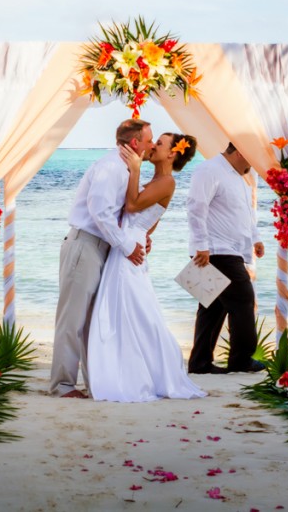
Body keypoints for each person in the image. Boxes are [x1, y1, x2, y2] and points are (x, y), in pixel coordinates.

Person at [87, 132, 206, 402]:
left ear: (172, 153)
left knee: (135, 311)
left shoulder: (166, 182)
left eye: (159, 144)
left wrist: (134, 170)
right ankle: (123, 367)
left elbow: (131, 205)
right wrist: (143, 235)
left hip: (130, 251)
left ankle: (147, 371)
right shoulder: (158, 181)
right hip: (130, 244)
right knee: (126, 309)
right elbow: (150, 219)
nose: (153, 146)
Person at [49, 119, 153, 398]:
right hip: (85, 245)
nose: (152, 145)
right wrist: (127, 245)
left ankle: (94, 383)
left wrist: (137, 238)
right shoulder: (110, 167)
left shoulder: (125, 169)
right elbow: (101, 212)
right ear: (135, 143)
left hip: (101, 247)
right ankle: (62, 385)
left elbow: (122, 212)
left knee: (93, 321)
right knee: (72, 319)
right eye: (149, 140)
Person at [186, 142, 265, 375]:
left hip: (231, 250)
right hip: (215, 251)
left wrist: (255, 238)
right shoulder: (210, 170)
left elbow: (244, 214)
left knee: (212, 307)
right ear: (241, 150)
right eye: (251, 157)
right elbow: (195, 207)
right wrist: (201, 245)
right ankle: (241, 360)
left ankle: (200, 363)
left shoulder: (238, 177)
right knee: (243, 299)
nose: (252, 164)